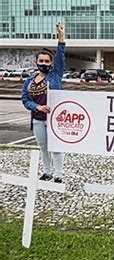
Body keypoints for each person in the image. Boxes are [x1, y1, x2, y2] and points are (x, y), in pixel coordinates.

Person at [21, 23, 66, 183]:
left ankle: (59, 174)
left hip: (54, 118)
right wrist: (37, 106)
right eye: (41, 60)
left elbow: (60, 55)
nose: (44, 63)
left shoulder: (55, 75)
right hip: (38, 119)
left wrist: (61, 37)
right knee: (43, 147)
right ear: (37, 62)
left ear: (51, 63)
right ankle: (47, 172)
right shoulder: (29, 81)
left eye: (47, 61)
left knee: (56, 147)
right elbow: (25, 100)